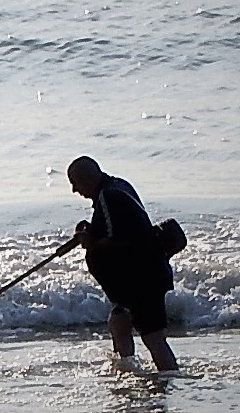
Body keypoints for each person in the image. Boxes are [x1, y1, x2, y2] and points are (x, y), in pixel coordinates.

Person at [67, 155, 178, 371]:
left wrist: (90, 242)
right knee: (118, 324)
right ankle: (126, 373)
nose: (74, 190)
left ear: (88, 177)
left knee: (153, 338)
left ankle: (170, 381)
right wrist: (91, 229)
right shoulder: (116, 187)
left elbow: (117, 239)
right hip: (133, 279)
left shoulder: (109, 196)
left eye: (75, 183)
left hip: (142, 278)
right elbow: (120, 228)